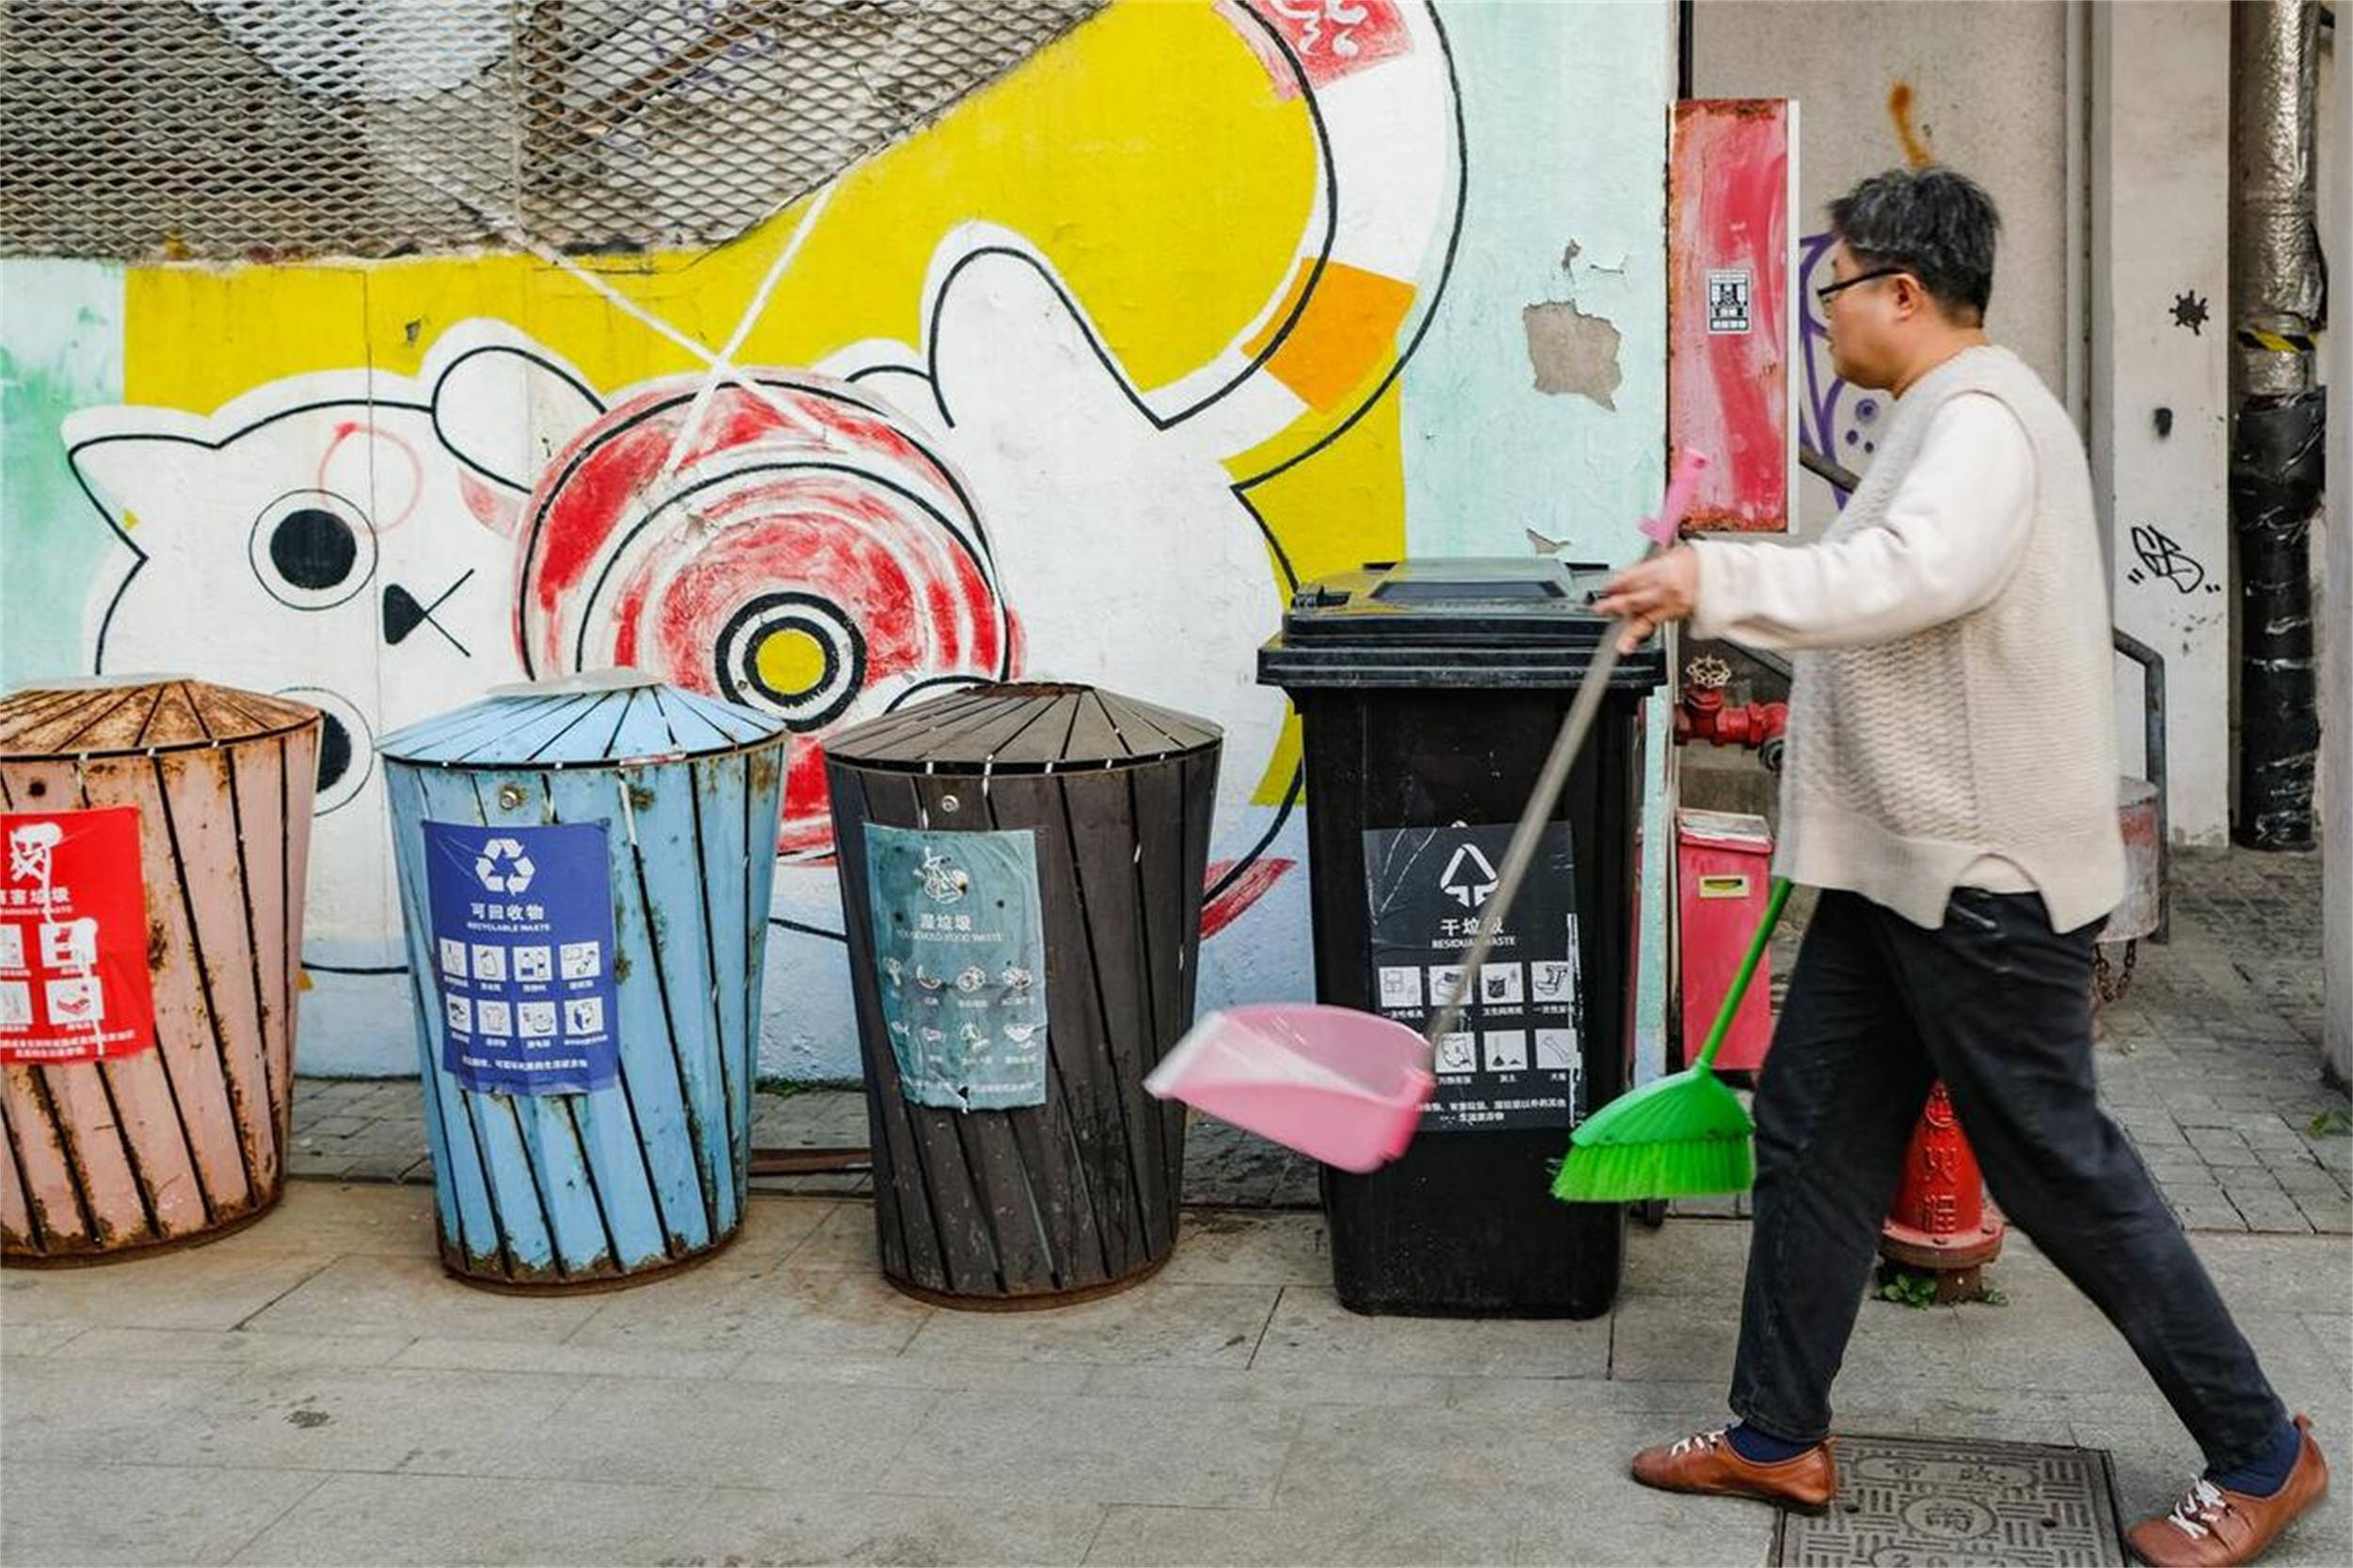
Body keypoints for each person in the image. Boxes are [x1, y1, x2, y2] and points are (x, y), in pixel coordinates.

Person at [1598, 166, 2329, 1568]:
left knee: (2055, 1165)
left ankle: (2261, 1449)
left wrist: (1716, 578)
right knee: (1812, 1126)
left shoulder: (1982, 423)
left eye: (1836, 292)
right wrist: (1714, 579)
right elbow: (1882, 593)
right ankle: (1775, 1434)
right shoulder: (1930, 419)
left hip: (1982, 882)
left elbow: (1899, 580)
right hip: (1898, 874)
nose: (1824, 321)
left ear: (1903, 293)